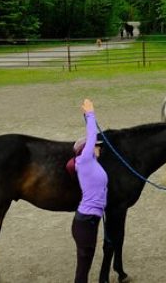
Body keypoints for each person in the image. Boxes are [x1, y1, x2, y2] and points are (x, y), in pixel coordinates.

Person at [72, 99, 108, 283]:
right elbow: (92, 135)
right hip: (85, 222)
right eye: (96, 145)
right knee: (83, 268)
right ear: (84, 150)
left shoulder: (93, 164)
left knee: (86, 264)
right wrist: (90, 114)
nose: (99, 146)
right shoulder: (85, 160)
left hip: (90, 220)